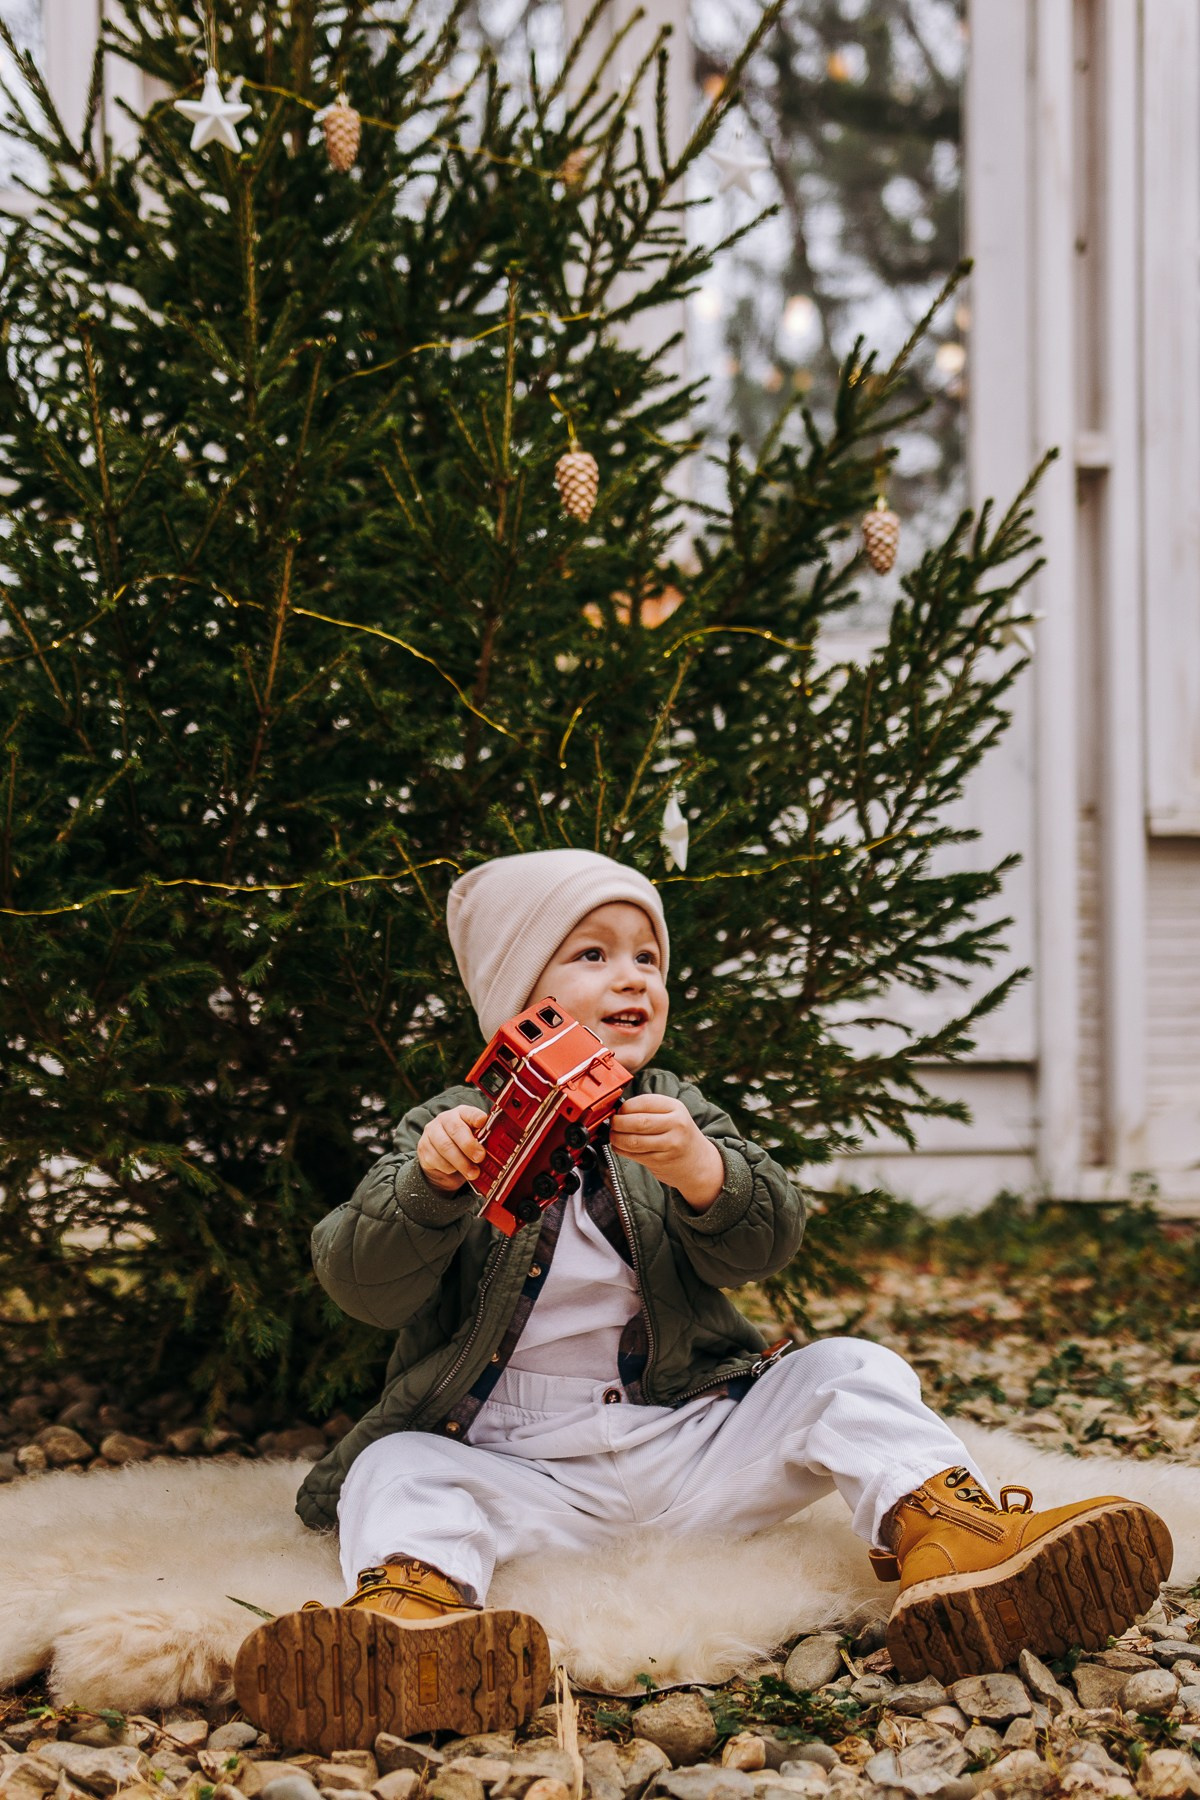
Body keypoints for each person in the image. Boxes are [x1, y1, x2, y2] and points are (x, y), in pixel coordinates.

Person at [234, 849, 1172, 1753]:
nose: (633, 976)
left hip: (687, 1439)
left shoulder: (675, 1112)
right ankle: (415, 1621)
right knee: (397, 1466)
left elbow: (766, 1243)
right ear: (520, 1003)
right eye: (593, 954)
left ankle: (955, 1540)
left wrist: (702, 1169)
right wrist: (432, 1187)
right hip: (522, 1466)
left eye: (648, 957)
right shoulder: (451, 1130)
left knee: (849, 1368)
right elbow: (359, 1284)